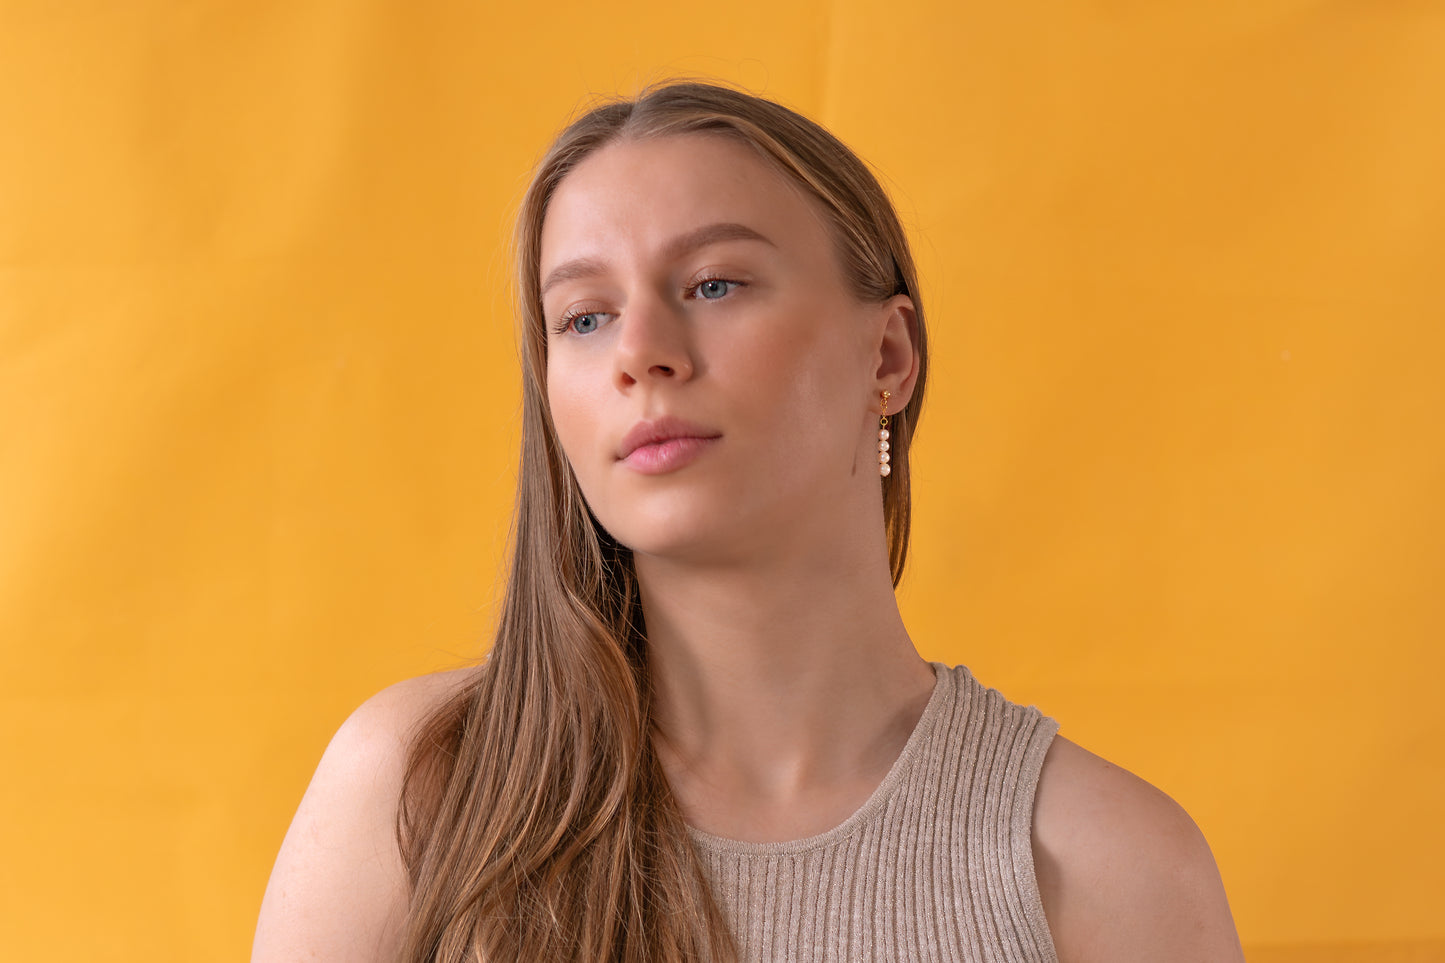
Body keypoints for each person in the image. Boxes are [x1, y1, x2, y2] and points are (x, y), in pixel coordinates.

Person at [252, 81, 1244, 962]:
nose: (640, 351)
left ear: (887, 357)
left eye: (712, 285)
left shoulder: (1107, 866)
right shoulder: (419, 787)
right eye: (583, 317)